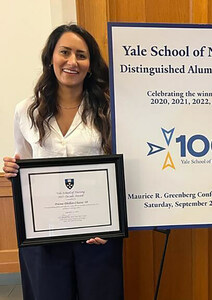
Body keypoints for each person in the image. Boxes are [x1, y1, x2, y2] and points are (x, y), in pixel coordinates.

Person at [2, 24, 124, 300]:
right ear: (50, 58)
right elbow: (25, 162)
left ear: (90, 65)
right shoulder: (26, 110)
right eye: (65, 52)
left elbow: (122, 169)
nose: (72, 61)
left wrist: (110, 226)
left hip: (96, 233)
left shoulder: (109, 109)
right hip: (44, 233)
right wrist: (13, 169)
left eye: (81, 55)